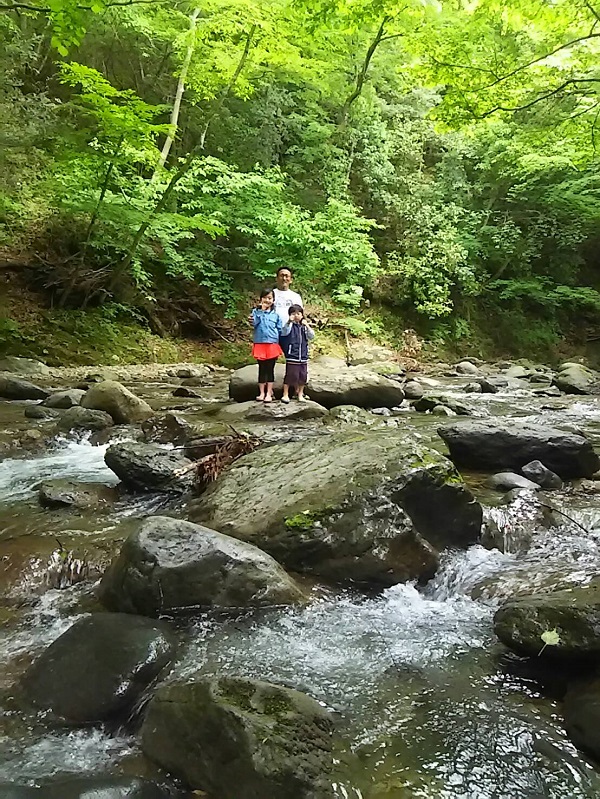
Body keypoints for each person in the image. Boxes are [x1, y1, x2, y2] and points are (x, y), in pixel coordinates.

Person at [251, 288, 282, 402]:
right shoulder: (255, 312)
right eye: (265, 298)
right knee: (262, 369)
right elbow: (254, 324)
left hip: (272, 344)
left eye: (270, 298)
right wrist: (261, 311)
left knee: (270, 369)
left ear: (273, 300)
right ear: (260, 299)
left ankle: (269, 393)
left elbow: (279, 329)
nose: (267, 300)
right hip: (259, 343)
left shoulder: (276, 315)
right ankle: (261, 393)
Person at [280, 304, 314, 403]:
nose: (296, 315)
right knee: (290, 375)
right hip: (292, 355)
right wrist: (289, 321)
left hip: (303, 356)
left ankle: (300, 394)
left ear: (302, 315)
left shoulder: (304, 327)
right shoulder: (290, 326)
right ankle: (285, 394)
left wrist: (307, 325)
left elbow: (311, 336)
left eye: (298, 313)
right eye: (293, 313)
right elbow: (284, 332)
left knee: (302, 376)